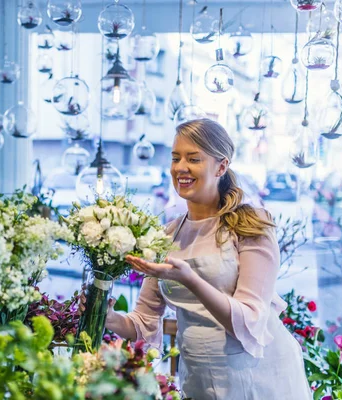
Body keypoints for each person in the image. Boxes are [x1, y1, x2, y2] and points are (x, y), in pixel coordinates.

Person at [110, 119, 312, 399]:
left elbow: (249, 320)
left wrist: (189, 279)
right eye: (175, 158)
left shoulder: (251, 225)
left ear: (221, 166)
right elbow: (143, 322)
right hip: (199, 376)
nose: (180, 167)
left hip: (257, 375)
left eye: (193, 159)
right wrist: (107, 317)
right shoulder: (166, 235)